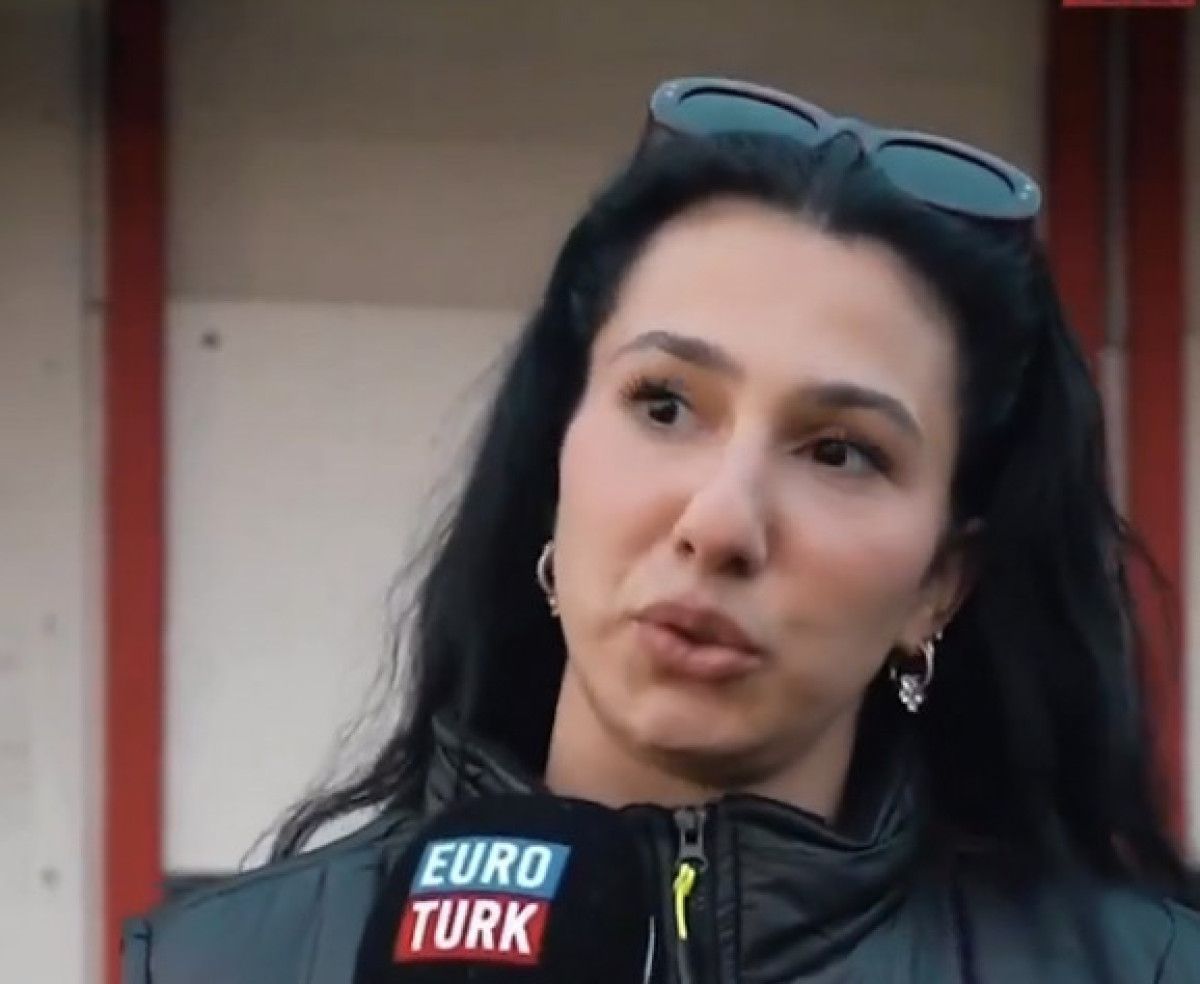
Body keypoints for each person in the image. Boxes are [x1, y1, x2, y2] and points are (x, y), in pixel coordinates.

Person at [123, 78, 1200, 982]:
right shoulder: (223, 966)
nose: (720, 522)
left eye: (839, 452)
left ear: (940, 584)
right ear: (555, 456)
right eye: (665, 404)